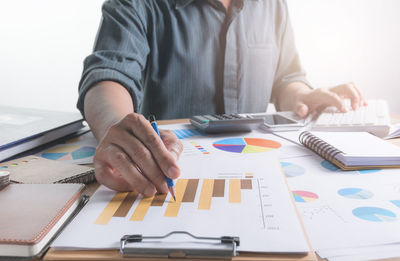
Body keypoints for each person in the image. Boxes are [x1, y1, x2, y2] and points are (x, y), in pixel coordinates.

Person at [78, 0, 366, 196]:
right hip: (166, 173)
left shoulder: (272, 4)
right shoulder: (137, 4)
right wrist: (115, 127)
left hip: (258, 173)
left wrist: (305, 95)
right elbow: (108, 75)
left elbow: (286, 80)